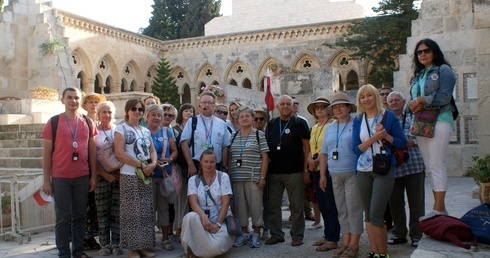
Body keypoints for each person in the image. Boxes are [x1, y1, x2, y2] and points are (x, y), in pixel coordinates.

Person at [41, 87, 97, 258]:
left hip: (81, 176)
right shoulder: (54, 122)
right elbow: (46, 153)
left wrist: (93, 176)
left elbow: (92, 151)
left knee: (79, 216)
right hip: (60, 177)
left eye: (76, 98)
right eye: (70, 98)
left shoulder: (88, 122)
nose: (73, 101)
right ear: (63, 100)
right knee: (63, 218)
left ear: (81, 101)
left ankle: (78, 252)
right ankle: (64, 253)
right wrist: (46, 181)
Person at [352, 84, 407, 258]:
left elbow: (402, 143)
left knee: (376, 214)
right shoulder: (358, 119)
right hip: (362, 170)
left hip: (383, 169)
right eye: (362, 96)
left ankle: (383, 255)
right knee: (368, 215)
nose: (366, 99)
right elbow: (356, 149)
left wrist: (385, 136)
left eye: (369, 95)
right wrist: (375, 138)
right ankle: (375, 252)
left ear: (375, 96)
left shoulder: (388, 116)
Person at [408, 39, 457, 221]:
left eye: (426, 51)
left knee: (437, 163)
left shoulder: (443, 70)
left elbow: (445, 97)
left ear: (434, 52)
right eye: (419, 52)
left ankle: (437, 208)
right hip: (422, 122)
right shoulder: (417, 76)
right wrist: (413, 105)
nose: (422, 54)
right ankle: (440, 208)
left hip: (440, 119)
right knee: (429, 166)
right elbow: (412, 99)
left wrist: (422, 100)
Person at [320, 92, 363, 258]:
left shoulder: (357, 123)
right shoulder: (330, 127)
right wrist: (323, 175)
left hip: (353, 172)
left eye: (341, 106)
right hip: (334, 175)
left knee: (354, 209)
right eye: (335, 107)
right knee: (341, 210)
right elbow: (324, 153)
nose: (337, 109)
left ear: (348, 107)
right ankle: (345, 242)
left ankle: (354, 245)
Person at [264, 95, 310, 246]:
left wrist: (305, 171)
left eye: (288, 104)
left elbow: (307, 148)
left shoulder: (300, 123)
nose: (285, 106)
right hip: (274, 172)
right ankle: (276, 234)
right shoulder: (271, 123)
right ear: (277, 107)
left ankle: (297, 235)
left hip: (294, 172)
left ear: (292, 106)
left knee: (296, 205)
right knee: (273, 205)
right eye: (282, 104)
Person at [114, 99, 157, 258]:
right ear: (127, 110)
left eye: (140, 109)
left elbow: (152, 151)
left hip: (145, 175)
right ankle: (132, 249)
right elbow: (120, 153)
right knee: (131, 213)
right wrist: (140, 164)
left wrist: (152, 164)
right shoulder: (121, 128)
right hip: (130, 175)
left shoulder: (145, 131)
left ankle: (143, 247)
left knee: (145, 212)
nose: (137, 111)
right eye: (134, 108)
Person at [387, 91, 425, 247]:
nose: (394, 103)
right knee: (395, 203)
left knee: (416, 203)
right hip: (394, 167)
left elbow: (419, 135)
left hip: (413, 165)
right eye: (391, 101)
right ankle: (399, 233)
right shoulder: (385, 120)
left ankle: (416, 234)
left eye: (397, 100)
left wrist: (403, 141)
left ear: (403, 102)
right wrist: (402, 141)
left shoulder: (413, 116)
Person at [228, 106, 270, 248]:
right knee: (241, 209)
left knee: (256, 207)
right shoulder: (233, 136)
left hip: (254, 178)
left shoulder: (259, 135)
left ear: (252, 119)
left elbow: (265, 158)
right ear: (237, 119)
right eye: (241, 116)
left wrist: (262, 177)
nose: (244, 118)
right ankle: (245, 233)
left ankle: (256, 234)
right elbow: (230, 156)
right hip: (237, 178)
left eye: (247, 116)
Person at [181, 150, 234, 258]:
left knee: (215, 247)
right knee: (189, 217)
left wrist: (218, 224)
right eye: (206, 161)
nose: (208, 165)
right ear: (200, 162)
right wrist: (204, 218)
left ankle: (199, 250)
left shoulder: (223, 177)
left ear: (216, 162)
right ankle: (198, 250)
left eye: (212, 162)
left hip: (220, 220)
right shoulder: (193, 180)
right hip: (202, 220)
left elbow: (226, 202)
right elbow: (193, 203)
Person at [306, 96, 341, 252]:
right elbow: (310, 148)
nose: (319, 108)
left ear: (328, 109)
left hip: (328, 168)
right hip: (315, 169)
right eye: (317, 106)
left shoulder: (333, 125)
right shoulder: (314, 128)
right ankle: (328, 235)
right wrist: (309, 159)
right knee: (322, 204)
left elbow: (332, 145)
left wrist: (319, 158)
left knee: (331, 204)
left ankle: (333, 238)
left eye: (323, 106)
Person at [145, 104, 178, 251]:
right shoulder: (143, 132)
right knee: (149, 209)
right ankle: (149, 240)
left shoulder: (167, 132)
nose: (157, 118)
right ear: (147, 117)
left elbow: (175, 150)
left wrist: (169, 160)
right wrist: (152, 163)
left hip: (164, 176)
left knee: (164, 208)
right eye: (154, 115)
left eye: (159, 115)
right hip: (149, 176)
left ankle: (165, 238)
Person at [94, 101, 123, 256]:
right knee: (102, 211)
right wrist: (105, 175)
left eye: (110, 112)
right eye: (104, 112)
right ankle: (104, 244)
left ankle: (117, 243)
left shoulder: (118, 131)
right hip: (101, 177)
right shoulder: (93, 132)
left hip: (118, 176)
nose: (107, 115)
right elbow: (91, 157)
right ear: (98, 114)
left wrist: (117, 173)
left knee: (117, 211)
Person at [180, 91, 231, 177]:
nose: (206, 105)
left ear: (214, 105)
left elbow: (224, 146)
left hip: (216, 165)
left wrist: (224, 166)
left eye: (209, 103)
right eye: (204, 102)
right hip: (197, 165)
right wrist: (190, 164)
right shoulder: (193, 121)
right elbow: (184, 143)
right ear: (200, 104)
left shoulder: (221, 124)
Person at [81, 92, 106, 251]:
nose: (93, 104)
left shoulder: (103, 121)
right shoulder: (83, 122)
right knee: (86, 206)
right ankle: (84, 238)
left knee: (97, 207)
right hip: (87, 169)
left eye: (96, 101)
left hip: (102, 170)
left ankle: (92, 238)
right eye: (90, 102)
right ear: (85, 105)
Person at [172, 103, 195, 238]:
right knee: (181, 199)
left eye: (191, 111)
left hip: (193, 167)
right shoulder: (175, 130)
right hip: (181, 168)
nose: (189, 113)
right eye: (186, 110)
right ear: (181, 113)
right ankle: (179, 226)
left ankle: (189, 227)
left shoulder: (195, 127)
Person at [160, 104, 180, 244]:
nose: (167, 117)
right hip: (152, 172)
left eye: (171, 115)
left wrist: (170, 159)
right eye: (165, 114)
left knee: (169, 204)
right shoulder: (148, 129)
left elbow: (175, 151)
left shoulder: (172, 132)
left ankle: (168, 234)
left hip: (168, 172)